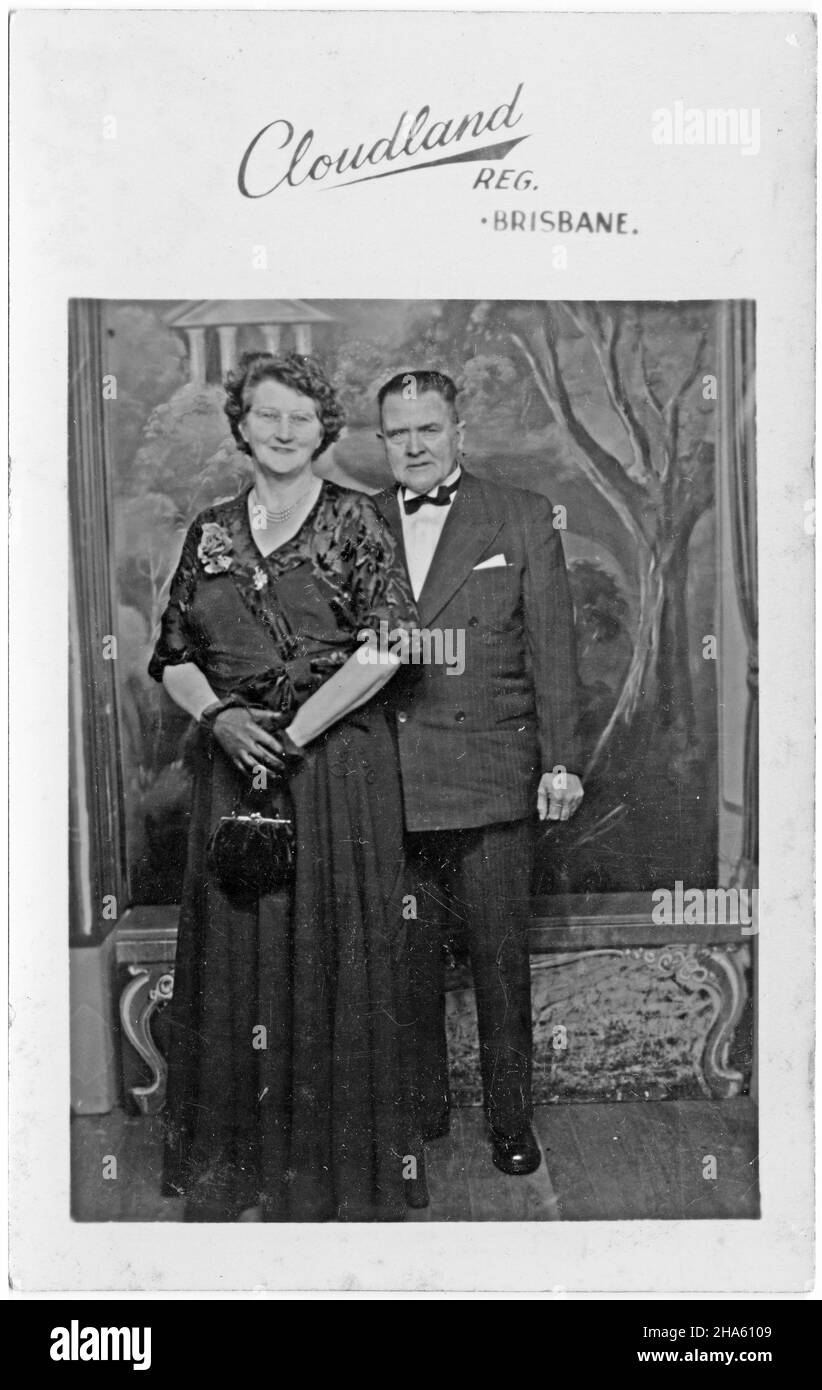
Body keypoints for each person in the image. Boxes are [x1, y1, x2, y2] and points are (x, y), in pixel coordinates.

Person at [148, 351, 427, 1221]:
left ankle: (329, 1176)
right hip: (232, 770)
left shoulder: (355, 521)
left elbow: (391, 646)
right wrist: (220, 722)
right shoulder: (211, 530)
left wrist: (290, 738)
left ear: (323, 431)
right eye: (266, 415)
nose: (281, 431)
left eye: (299, 419)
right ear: (241, 425)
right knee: (236, 958)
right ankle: (238, 1170)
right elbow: (172, 656)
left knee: (332, 955)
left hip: (334, 770)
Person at [373, 369, 584, 1176]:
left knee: (500, 961)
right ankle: (422, 1113)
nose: (417, 445)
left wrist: (560, 761)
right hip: (393, 780)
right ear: (383, 441)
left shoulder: (522, 517)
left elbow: (555, 655)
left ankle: (509, 1123)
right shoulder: (358, 522)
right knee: (406, 960)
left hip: (495, 776)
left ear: (460, 432)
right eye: (400, 433)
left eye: (430, 428)